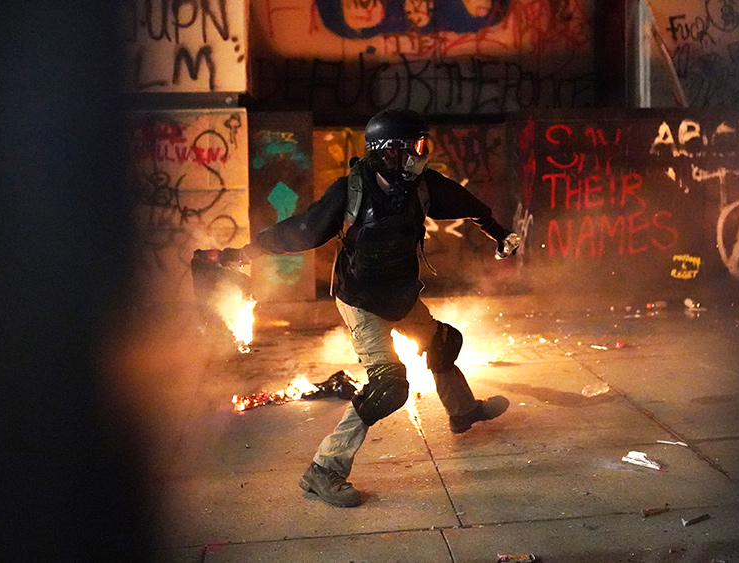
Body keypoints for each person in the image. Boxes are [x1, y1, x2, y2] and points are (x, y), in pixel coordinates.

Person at [201, 108, 522, 507]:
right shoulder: (350, 192)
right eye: (416, 146)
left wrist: (499, 234)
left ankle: (463, 412)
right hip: (361, 300)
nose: (422, 155)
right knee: (388, 387)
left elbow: (469, 204)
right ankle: (324, 470)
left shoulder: (422, 186)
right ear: (390, 151)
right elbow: (301, 231)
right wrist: (244, 253)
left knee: (443, 342)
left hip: (401, 293)